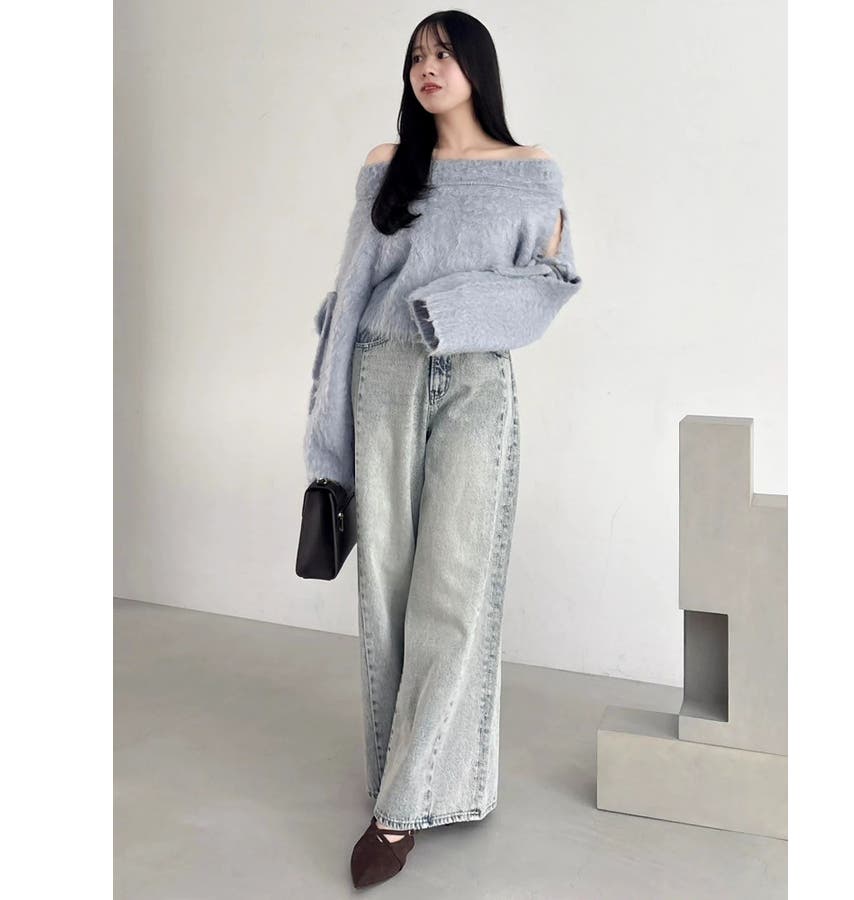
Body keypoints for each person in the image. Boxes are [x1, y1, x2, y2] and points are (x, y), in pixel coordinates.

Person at [302, 11, 583, 889]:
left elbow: (552, 284)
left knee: (454, 590)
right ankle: (409, 782)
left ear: (477, 68)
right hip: (380, 377)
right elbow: (350, 298)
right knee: (387, 591)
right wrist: (326, 447)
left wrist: (451, 310)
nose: (427, 67)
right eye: (416, 56)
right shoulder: (388, 165)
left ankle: (398, 811)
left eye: (444, 53)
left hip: (475, 384)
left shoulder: (531, 170)